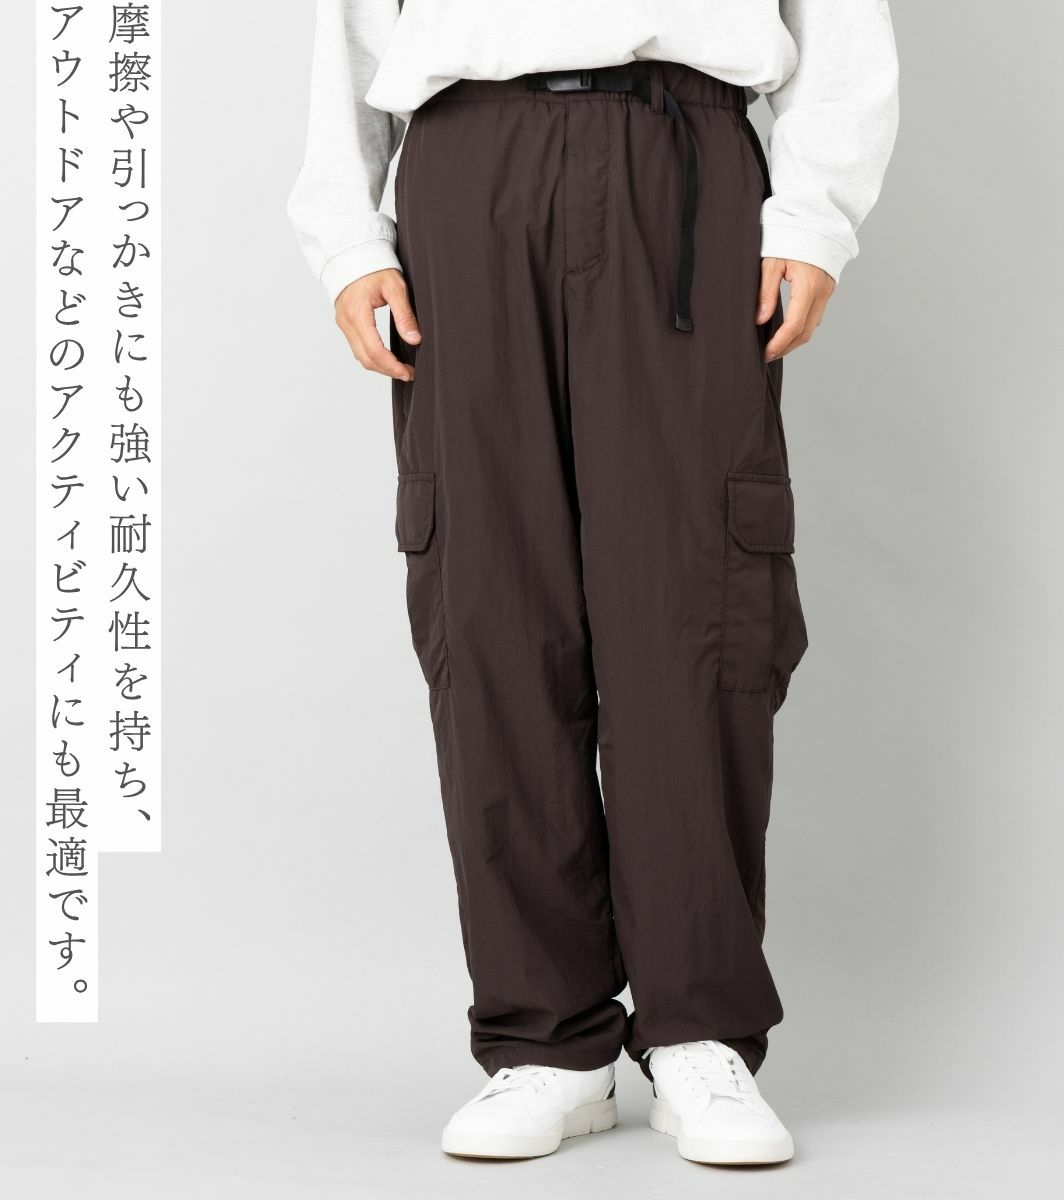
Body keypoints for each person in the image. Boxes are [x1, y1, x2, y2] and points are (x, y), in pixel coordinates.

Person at [288, 0, 898, 1167]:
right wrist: (350, 238)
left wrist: (814, 216)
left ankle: (698, 1032)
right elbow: (356, 24)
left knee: (698, 599)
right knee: (489, 600)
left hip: (684, 160)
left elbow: (840, 27)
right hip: (467, 163)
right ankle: (545, 1042)